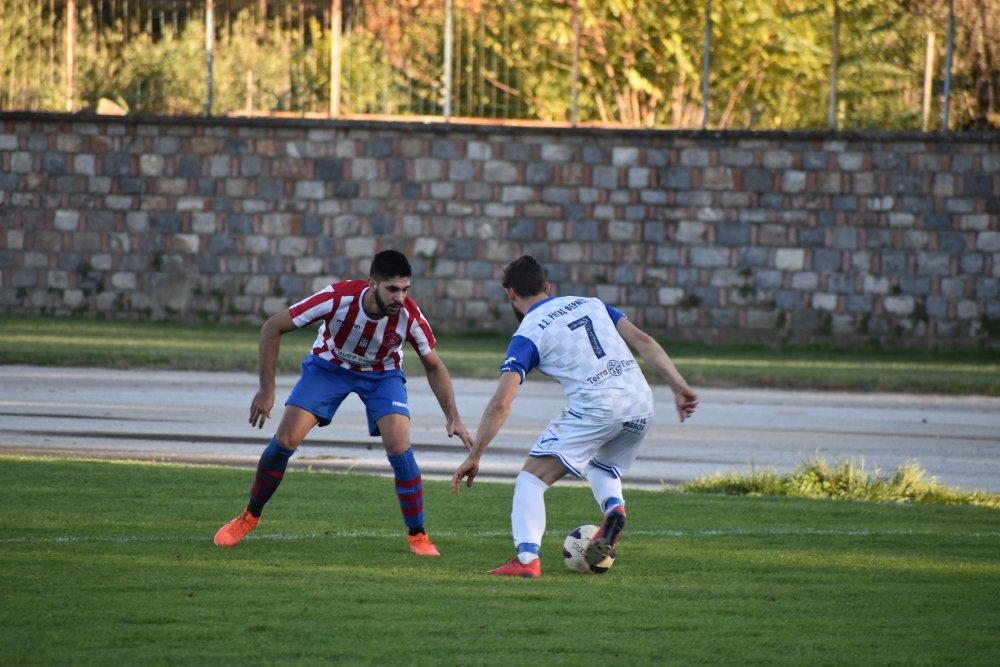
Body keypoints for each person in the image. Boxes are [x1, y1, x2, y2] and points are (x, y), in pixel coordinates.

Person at [451, 255, 698, 577]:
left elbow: (501, 403)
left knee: (531, 479)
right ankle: (614, 509)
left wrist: (476, 453)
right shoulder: (591, 303)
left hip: (598, 406)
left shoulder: (528, 333)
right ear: (547, 287)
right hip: (640, 402)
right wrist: (679, 387)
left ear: (510, 294)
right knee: (604, 467)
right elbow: (644, 341)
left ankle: (526, 561)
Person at [215, 249, 474, 556]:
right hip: (329, 367)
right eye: (392, 289)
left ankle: (418, 536)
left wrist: (453, 416)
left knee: (399, 446)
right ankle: (249, 516)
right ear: (372, 284)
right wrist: (266, 390)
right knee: (285, 439)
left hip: (382, 375)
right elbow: (272, 327)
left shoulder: (409, 316)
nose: (399, 298)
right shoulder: (337, 298)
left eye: (405, 290)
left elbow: (434, 365)